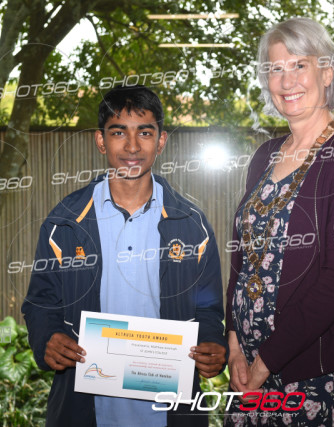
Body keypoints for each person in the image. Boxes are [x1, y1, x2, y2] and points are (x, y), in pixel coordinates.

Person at [22, 85, 227, 427]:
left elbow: (207, 309)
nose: (132, 147)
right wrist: (48, 338)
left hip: (170, 411)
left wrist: (211, 342)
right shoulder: (64, 222)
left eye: (144, 133)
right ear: (101, 141)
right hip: (84, 409)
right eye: (119, 133)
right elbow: (40, 302)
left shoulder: (192, 225)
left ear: (161, 141)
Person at [224, 18, 334, 426]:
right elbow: (243, 256)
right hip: (247, 368)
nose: (286, 80)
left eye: (299, 65)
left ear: (326, 73)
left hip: (313, 374)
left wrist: (264, 362)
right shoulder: (264, 155)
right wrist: (234, 344)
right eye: (276, 68)